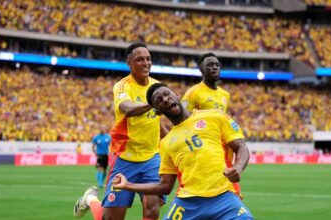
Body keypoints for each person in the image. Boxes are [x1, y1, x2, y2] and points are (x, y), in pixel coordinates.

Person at [112, 83, 254, 219]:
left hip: (223, 197)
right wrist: (127, 185)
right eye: (159, 100)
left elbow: (241, 147)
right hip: (187, 203)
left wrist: (238, 168)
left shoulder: (215, 116)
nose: (166, 99)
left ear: (177, 95)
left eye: (167, 94)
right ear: (157, 111)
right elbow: (165, 186)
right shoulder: (167, 143)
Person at [73, 43, 167, 220]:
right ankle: (91, 199)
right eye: (140, 59)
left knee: (152, 210)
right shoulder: (122, 86)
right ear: (129, 62)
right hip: (125, 158)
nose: (146, 63)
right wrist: (152, 103)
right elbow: (128, 108)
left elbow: (157, 123)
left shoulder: (157, 86)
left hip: (152, 158)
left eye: (148, 59)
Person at [181, 53, 243, 198]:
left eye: (216, 65)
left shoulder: (224, 94)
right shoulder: (193, 93)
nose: (214, 67)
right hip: (204, 149)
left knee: (228, 194)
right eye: (209, 65)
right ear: (201, 70)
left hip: (223, 150)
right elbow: (182, 121)